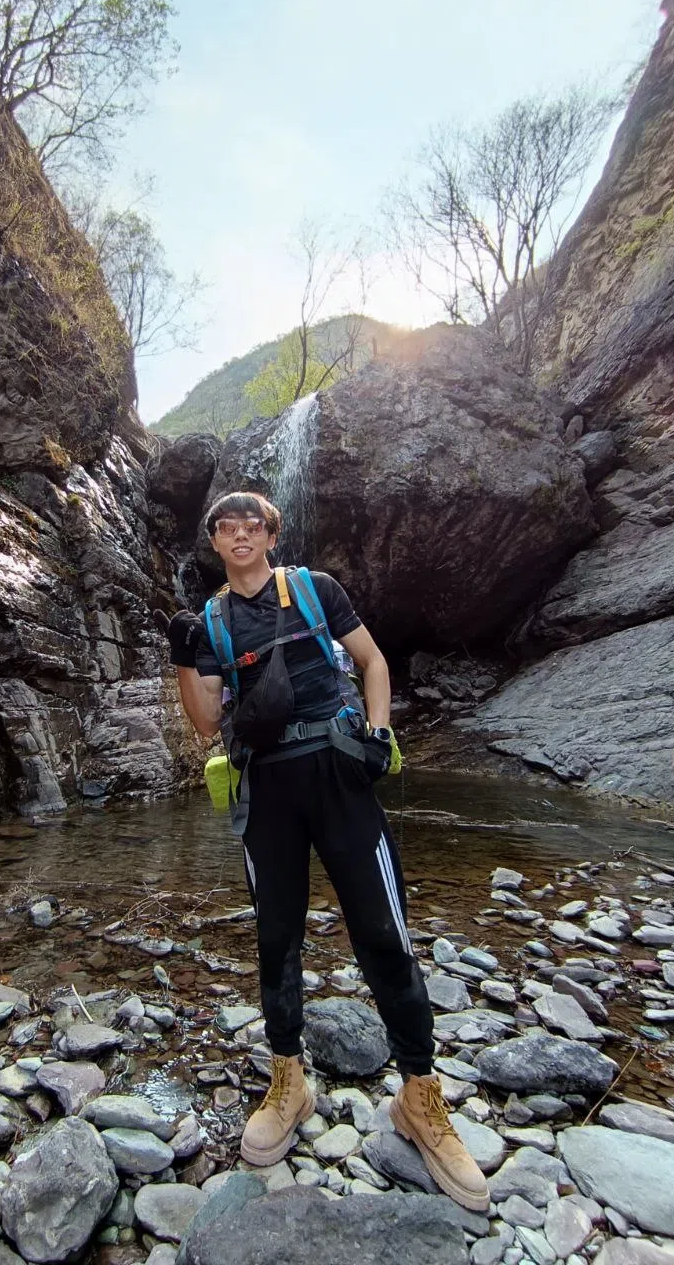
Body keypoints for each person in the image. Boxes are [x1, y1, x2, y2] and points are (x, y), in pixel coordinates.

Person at [159, 491, 489, 1212]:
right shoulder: (212, 620)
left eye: (253, 525)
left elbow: (370, 662)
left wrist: (375, 735)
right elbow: (207, 721)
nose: (240, 534)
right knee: (275, 938)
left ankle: (420, 1096)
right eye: (227, 526)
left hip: (340, 776)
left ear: (270, 534)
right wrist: (184, 657)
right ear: (215, 541)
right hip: (267, 789)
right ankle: (289, 1079)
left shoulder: (315, 589)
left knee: (383, 931)